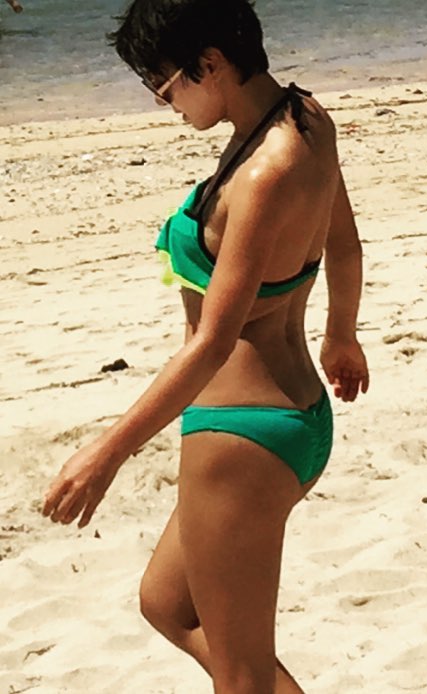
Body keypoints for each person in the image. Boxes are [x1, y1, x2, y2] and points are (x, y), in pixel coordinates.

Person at [41, 1, 369, 692]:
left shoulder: (264, 173)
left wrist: (107, 453)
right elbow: (343, 242)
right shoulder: (305, 118)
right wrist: (341, 334)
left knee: (240, 675)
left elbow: (214, 341)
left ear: (210, 64)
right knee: (167, 604)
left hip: (241, 435)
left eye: (164, 87)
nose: (164, 105)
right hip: (287, 415)